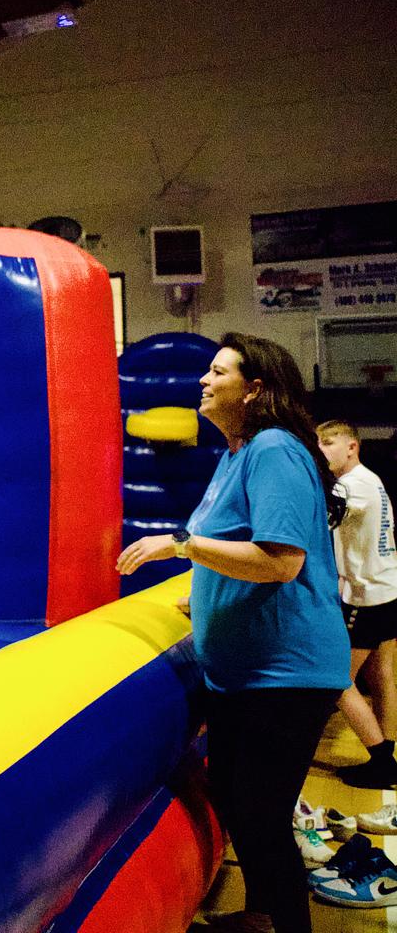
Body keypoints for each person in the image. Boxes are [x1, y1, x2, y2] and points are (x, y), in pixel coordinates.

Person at [117, 333, 350, 933]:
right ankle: (263, 915)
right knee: (240, 803)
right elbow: (234, 550)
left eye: (218, 372)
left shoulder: (273, 448)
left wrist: (181, 544)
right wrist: (204, 596)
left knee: (261, 816)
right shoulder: (234, 456)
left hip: (285, 673)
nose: (203, 380)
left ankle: (285, 923)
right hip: (242, 673)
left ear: (254, 389)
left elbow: (281, 561)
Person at [317, 420, 397, 788]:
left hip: (367, 597)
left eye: (328, 442)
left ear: (352, 447)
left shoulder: (351, 486)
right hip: (387, 588)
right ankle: (387, 752)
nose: (321, 450)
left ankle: (381, 761)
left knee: (336, 680)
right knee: (382, 676)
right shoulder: (371, 481)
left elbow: (318, 519)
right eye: (318, 444)